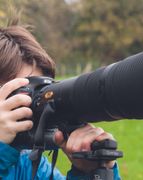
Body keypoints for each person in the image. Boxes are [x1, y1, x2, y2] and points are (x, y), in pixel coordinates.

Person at [0, 20, 120, 179]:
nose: (36, 110)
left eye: (40, 93)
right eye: (22, 95)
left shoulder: (28, 161)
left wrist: (90, 172)